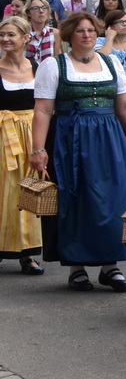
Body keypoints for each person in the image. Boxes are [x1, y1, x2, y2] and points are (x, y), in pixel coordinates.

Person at [29, 12, 126, 292]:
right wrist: (38, 148)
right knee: (76, 197)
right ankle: (77, 267)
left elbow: (125, 105)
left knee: (114, 197)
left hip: (109, 139)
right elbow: (42, 109)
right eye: (80, 31)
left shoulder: (110, 62)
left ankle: (109, 266)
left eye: (91, 30)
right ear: (69, 35)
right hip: (70, 139)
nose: (87, 35)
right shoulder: (54, 65)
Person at [0, 17, 43, 274]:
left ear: (26, 37)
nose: (5, 39)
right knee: (4, 191)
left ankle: (28, 253)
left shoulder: (36, 67)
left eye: (11, 35)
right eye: (2, 34)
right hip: (3, 134)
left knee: (30, 189)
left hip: (32, 132)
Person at [23, 0, 55, 67]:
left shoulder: (54, 33)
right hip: (27, 74)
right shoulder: (22, 32)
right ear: (28, 13)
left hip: (47, 75)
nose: (41, 11)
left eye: (44, 7)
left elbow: (57, 61)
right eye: (36, 8)